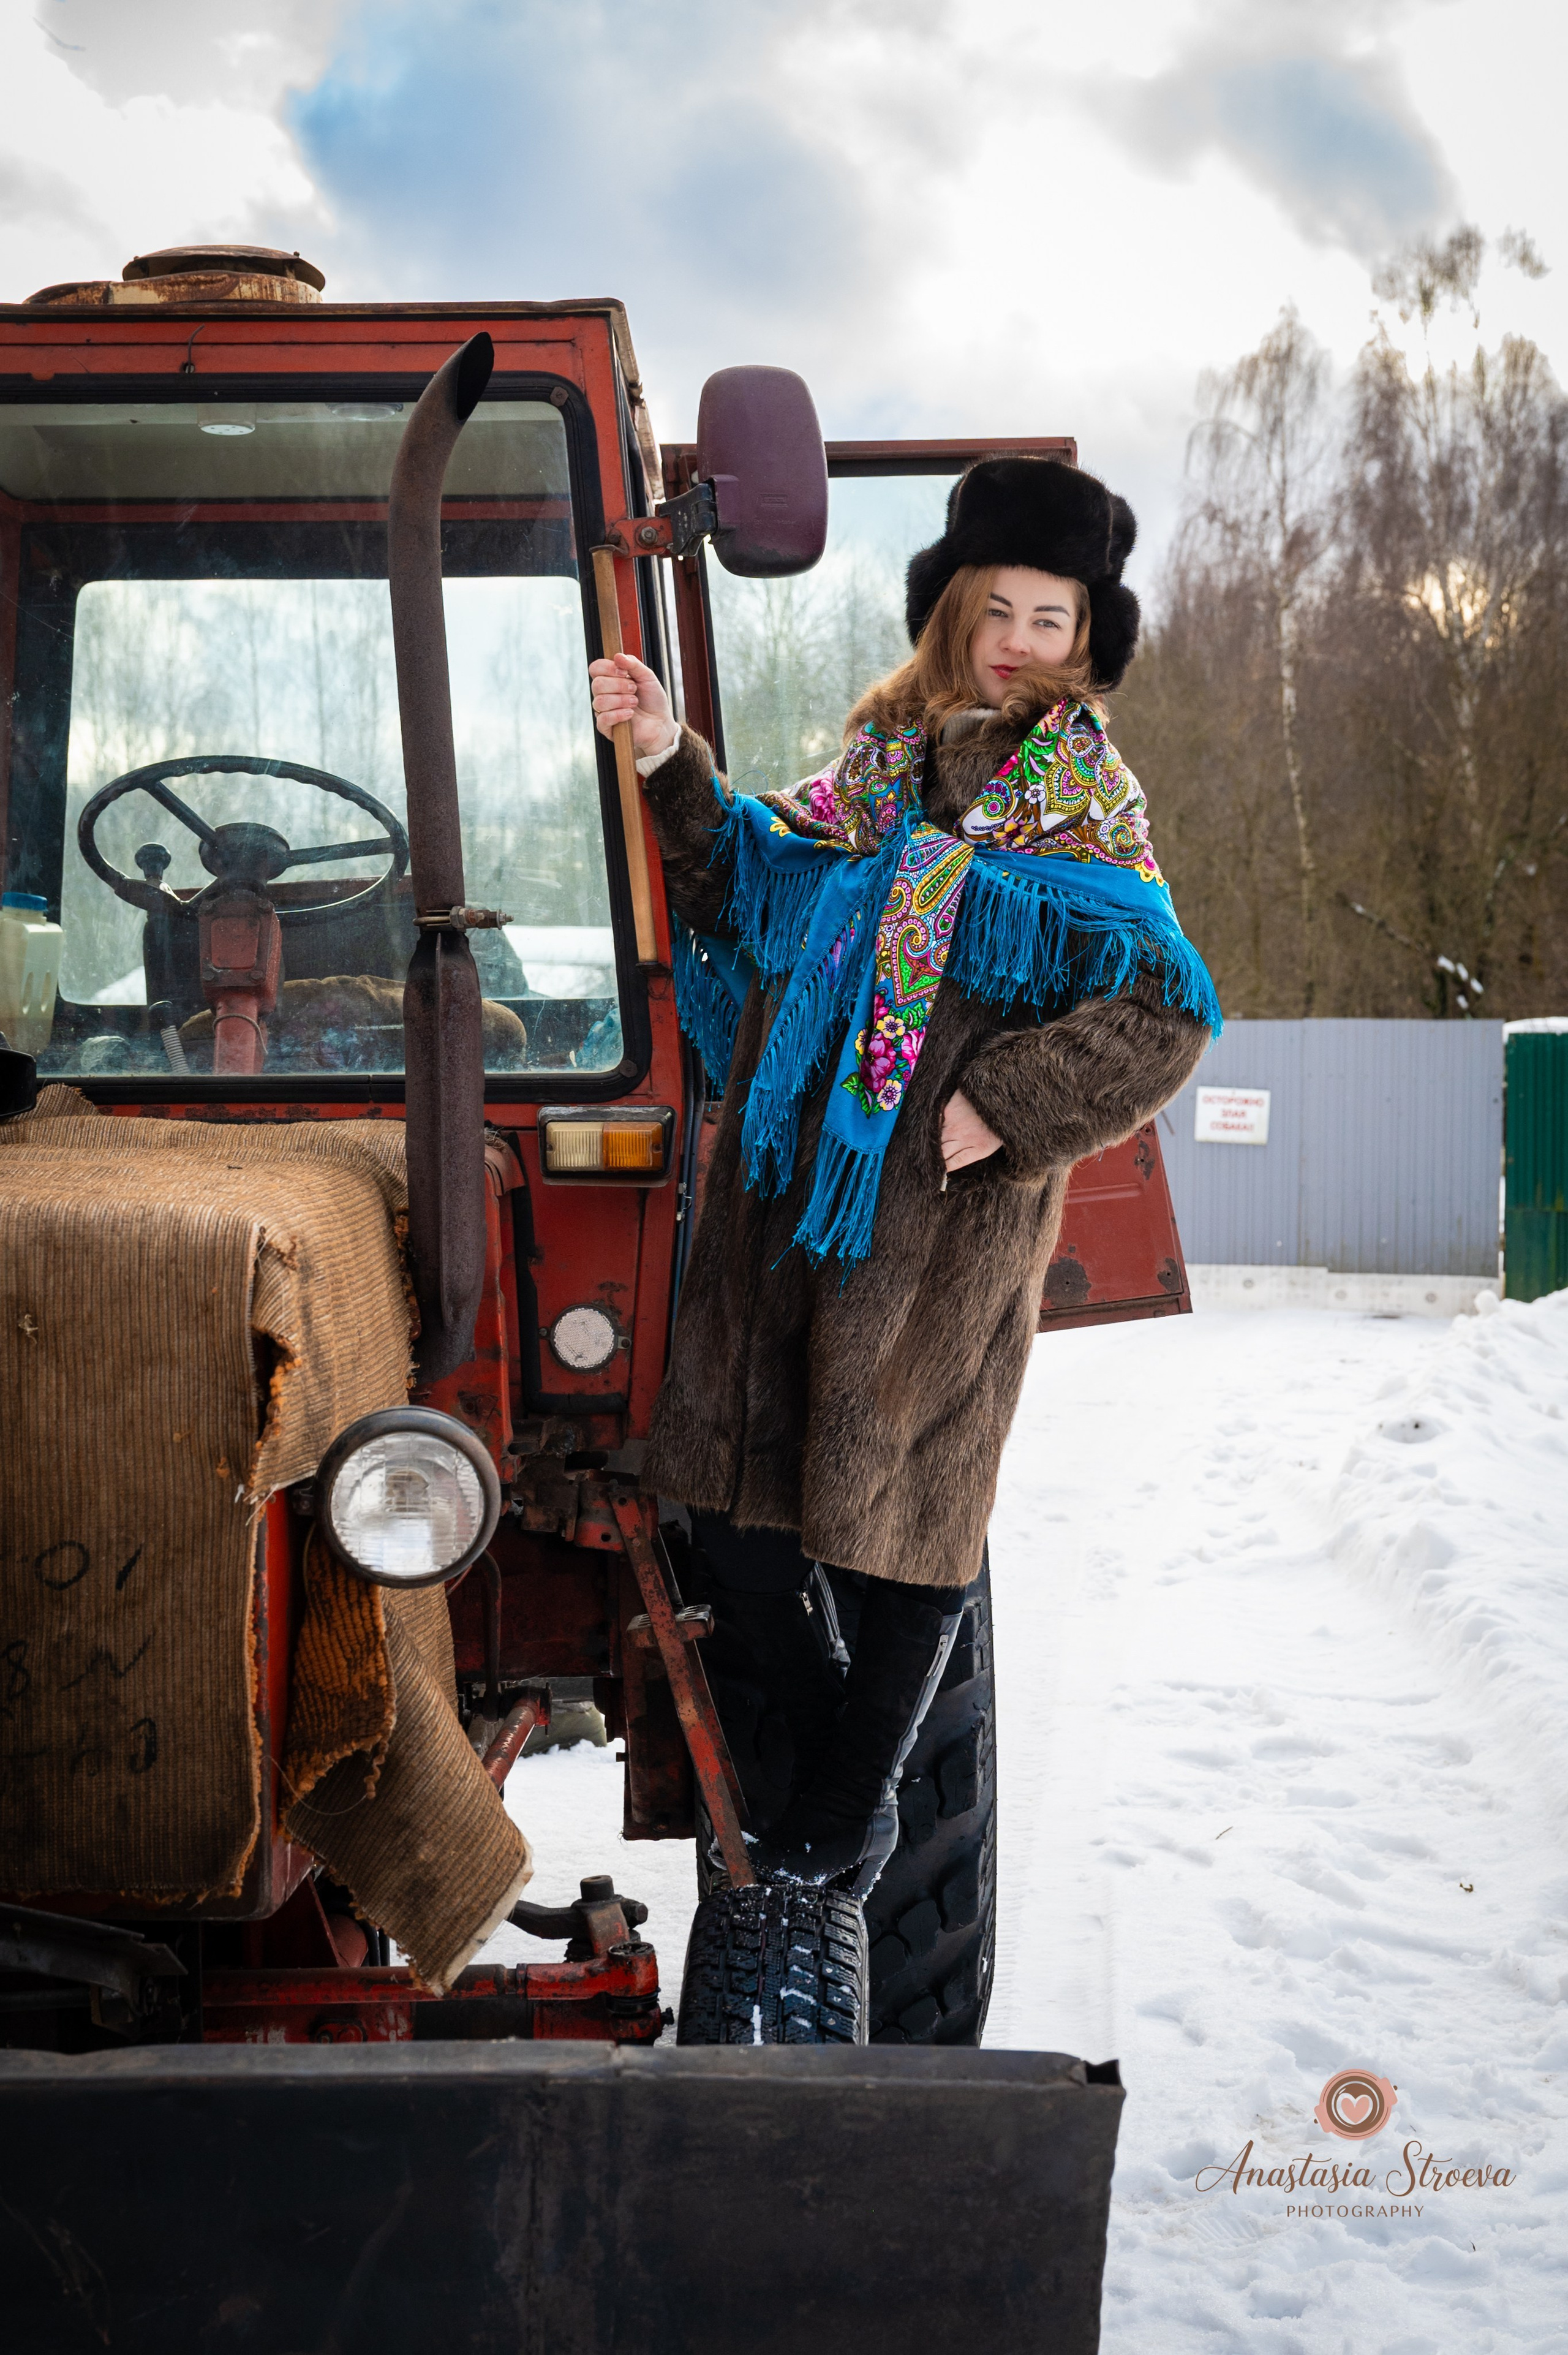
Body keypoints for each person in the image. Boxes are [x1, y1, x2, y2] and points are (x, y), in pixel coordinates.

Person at [589, 456, 1216, 1899]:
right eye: (991, 606)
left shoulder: (1079, 798)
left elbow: (1161, 1010)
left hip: (944, 1219)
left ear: (1083, 645)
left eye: (1047, 618)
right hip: (793, 1189)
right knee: (726, 1499)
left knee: (906, 1509)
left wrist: (1002, 1103)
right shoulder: (876, 770)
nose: (1013, 637)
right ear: (947, 613)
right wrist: (668, 751)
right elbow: (742, 876)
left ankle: (853, 1790)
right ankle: (832, 1756)